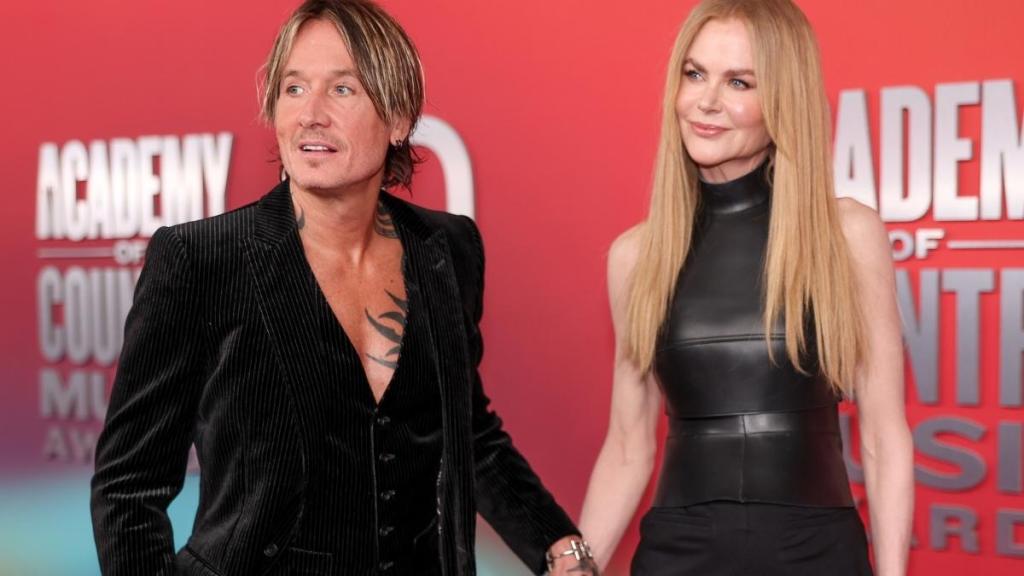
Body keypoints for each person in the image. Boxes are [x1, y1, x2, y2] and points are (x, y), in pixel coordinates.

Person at [90, 1, 597, 574]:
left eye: (342, 89)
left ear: (399, 118)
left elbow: (467, 432)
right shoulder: (201, 261)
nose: (310, 114)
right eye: (293, 88)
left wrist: (559, 544)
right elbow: (128, 486)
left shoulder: (448, 249)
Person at [577, 0, 913, 574]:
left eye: (739, 82)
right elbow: (629, 447)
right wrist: (576, 565)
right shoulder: (636, 257)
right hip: (677, 554)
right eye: (694, 73)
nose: (706, 101)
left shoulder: (846, 235)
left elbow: (884, 438)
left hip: (816, 554)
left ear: (782, 100)